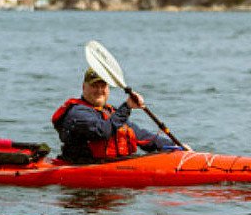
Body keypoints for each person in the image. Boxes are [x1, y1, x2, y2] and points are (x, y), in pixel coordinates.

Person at [52, 67, 186, 163]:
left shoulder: (110, 112)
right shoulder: (77, 113)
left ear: (108, 89)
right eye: (94, 85)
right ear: (83, 87)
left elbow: (141, 136)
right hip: (82, 167)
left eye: (103, 85)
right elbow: (102, 131)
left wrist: (174, 147)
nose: (99, 90)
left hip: (111, 165)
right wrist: (127, 107)